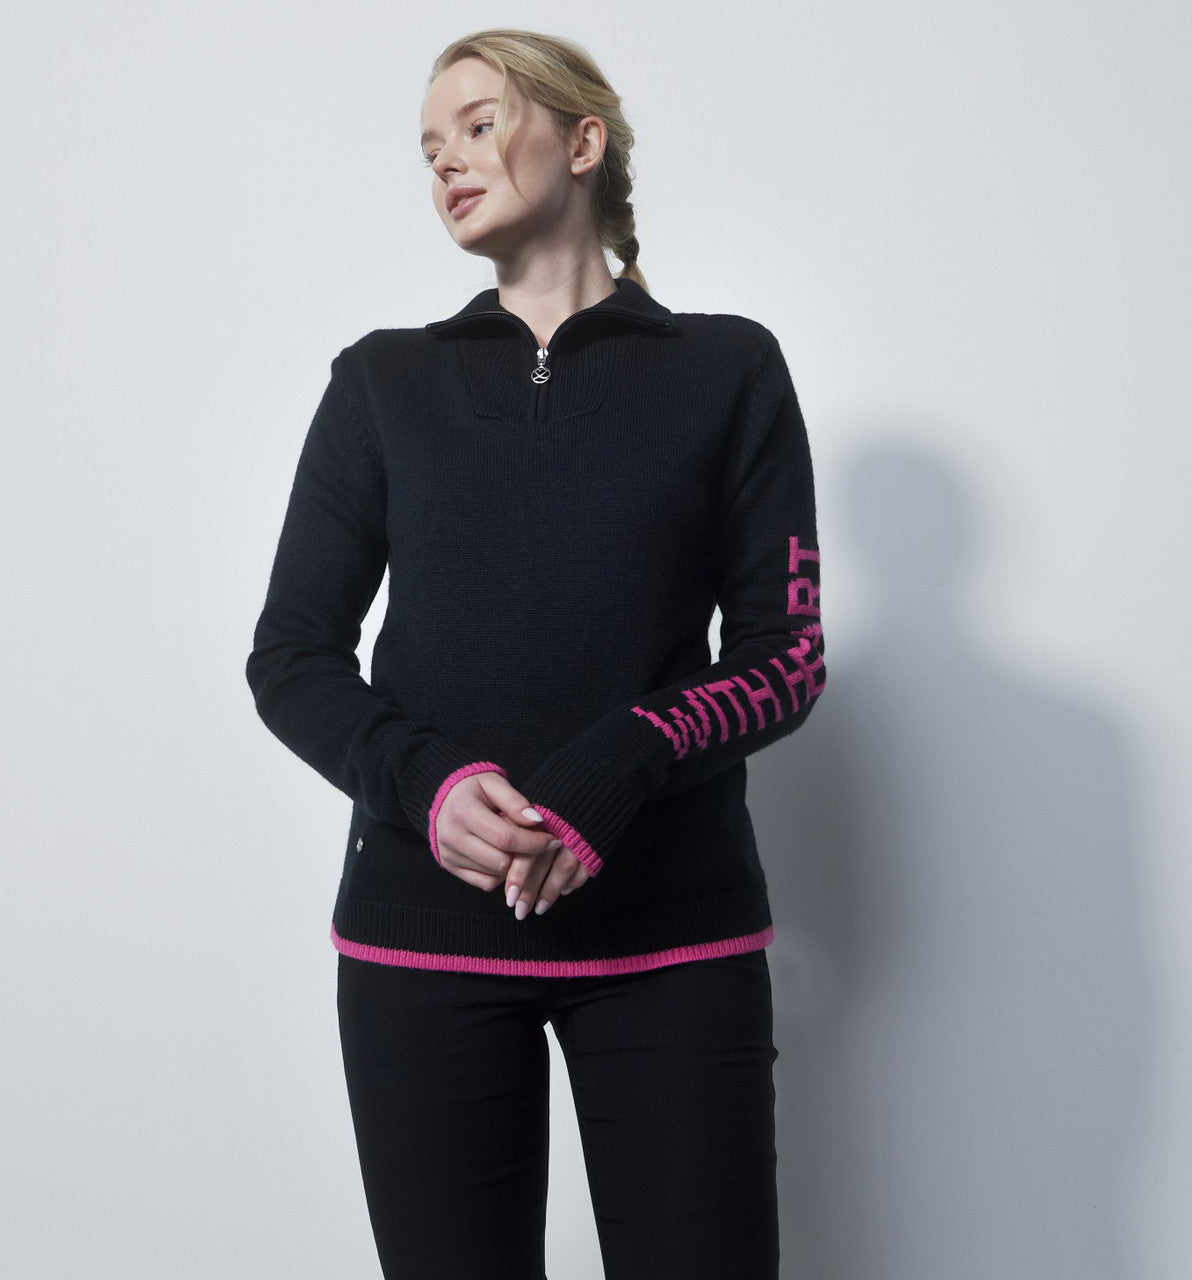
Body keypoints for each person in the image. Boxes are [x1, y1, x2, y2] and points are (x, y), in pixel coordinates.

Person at [245, 27, 824, 1280]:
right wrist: (428, 783)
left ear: (581, 140)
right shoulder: (383, 383)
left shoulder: (726, 368)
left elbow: (784, 653)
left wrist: (621, 758)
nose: (446, 163)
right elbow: (290, 656)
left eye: (477, 124)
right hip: (419, 943)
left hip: (671, 940)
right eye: (428, 149)